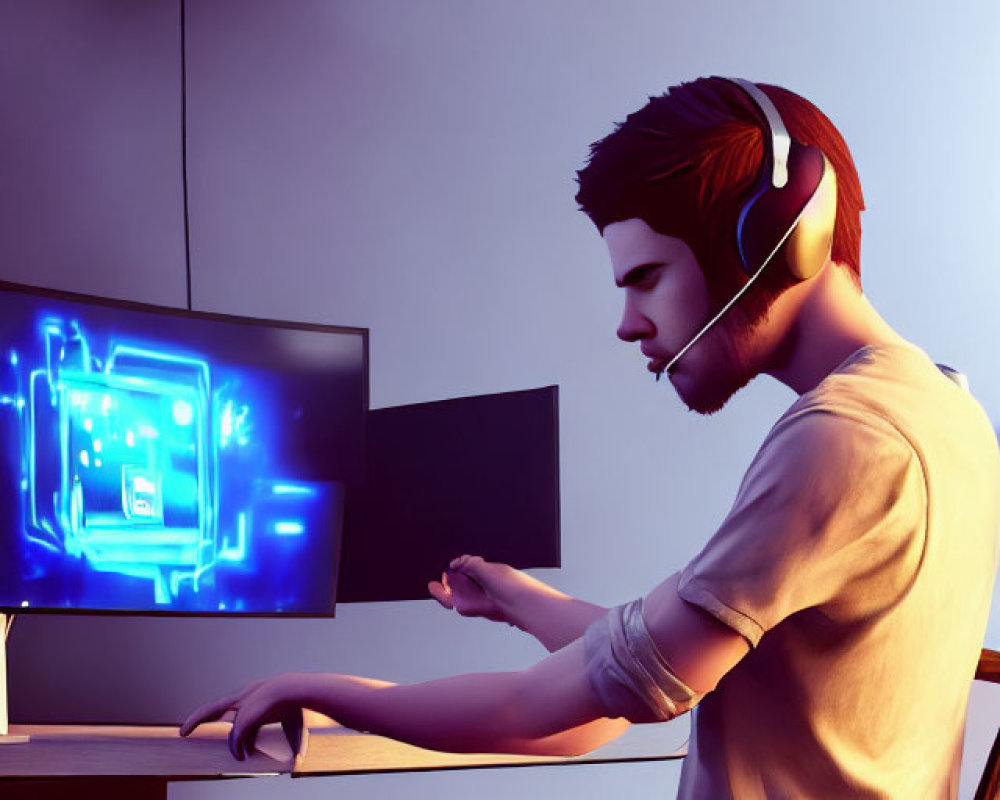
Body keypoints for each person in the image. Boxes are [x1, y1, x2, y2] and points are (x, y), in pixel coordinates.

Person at [181, 77, 1000, 798]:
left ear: (774, 236)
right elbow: (659, 673)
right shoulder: (945, 411)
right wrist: (519, 600)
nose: (626, 324)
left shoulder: (843, 441)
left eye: (647, 277)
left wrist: (316, 687)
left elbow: (540, 710)